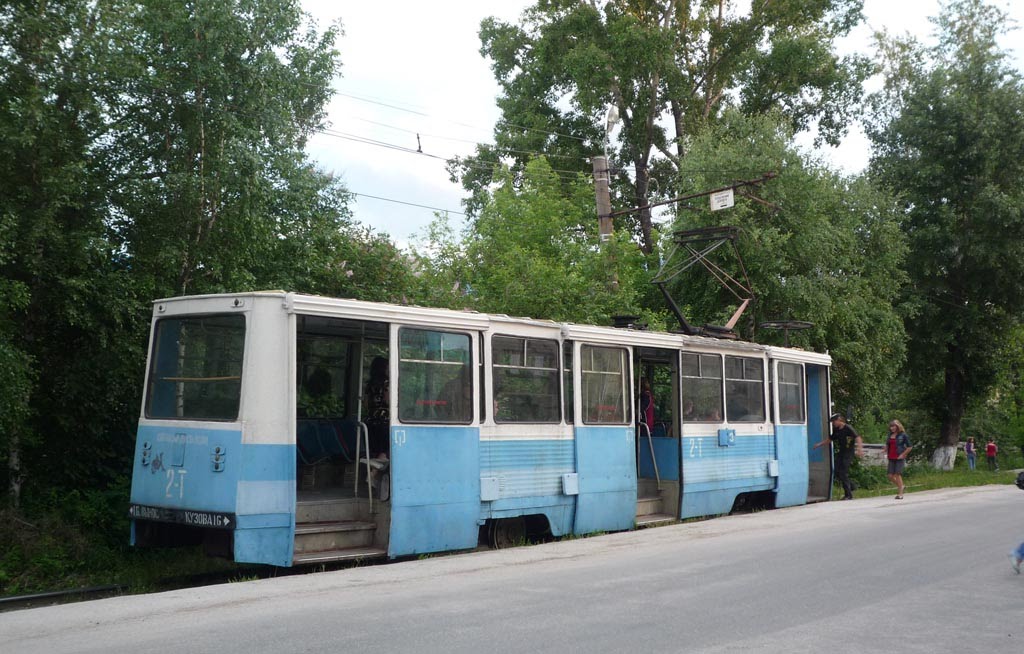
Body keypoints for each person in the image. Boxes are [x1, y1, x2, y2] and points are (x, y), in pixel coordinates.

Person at [813, 413, 863, 500]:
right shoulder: (836, 430)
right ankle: (852, 486)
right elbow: (830, 439)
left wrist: (859, 449)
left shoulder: (848, 428)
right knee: (836, 471)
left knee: (843, 472)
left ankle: (848, 495)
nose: (833, 423)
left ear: (839, 420)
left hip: (848, 453)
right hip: (842, 452)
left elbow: (858, 437)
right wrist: (819, 444)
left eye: (834, 421)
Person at [364, 356, 389, 458]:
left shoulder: (369, 384)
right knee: (385, 452)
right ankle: (374, 473)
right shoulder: (386, 383)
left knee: (375, 451)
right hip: (384, 422)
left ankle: (372, 472)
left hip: (371, 421)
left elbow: (365, 404)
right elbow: (388, 401)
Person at [886, 419, 912, 499]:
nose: (892, 428)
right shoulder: (889, 435)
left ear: (898, 426)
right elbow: (888, 445)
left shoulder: (903, 435)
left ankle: (900, 494)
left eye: (893, 426)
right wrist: (885, 449)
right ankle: (902, 486)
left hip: (899, 457)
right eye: (891, 426)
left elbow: (910, 447)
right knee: (890, 476)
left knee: (897, 474)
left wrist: (903, 454)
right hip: (891, 457)